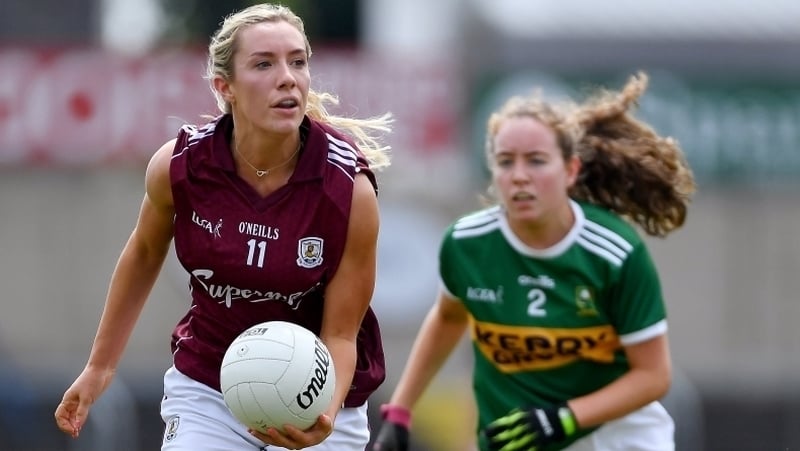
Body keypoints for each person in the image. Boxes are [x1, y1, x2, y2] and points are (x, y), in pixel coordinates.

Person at [54, 3, 392, 450]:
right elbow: (144, 254)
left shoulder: (349, 190)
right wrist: (100, 368)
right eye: (264, 64)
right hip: (211, 387)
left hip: (319, 391)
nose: (287, 77)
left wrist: (322, 412)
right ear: (225, 86)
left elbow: (342, 332)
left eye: (298, 61)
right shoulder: (180, 167)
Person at [372, 72, 695, 451]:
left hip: (616, 437)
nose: (520, 176)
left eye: (536, 161)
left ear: (570, 170)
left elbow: (654, 376)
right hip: (515, 439)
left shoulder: (615, 252)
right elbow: (448, 317)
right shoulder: (467, 244)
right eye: (506, 162)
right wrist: (400, 410)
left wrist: (565, 417)